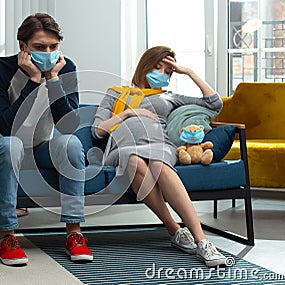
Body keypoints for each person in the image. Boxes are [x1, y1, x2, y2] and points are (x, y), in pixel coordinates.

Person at [91, 46, 227, 267]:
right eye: (157, 67)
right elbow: (97, 131)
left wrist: (189, 72)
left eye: (168, 71)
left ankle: (201, 240)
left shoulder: (170, 97)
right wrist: (128, 113)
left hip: (159, 144)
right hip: (122, 147)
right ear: (144, 66)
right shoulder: (115, 92)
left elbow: (214, 103)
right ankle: (174, 229)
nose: (162, 73)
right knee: (133, 159)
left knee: (159, 163)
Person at [0, 13, 93, 266]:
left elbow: (68, 125)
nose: (48, 52)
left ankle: (75, 233)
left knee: (70, 143)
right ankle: (6, 236)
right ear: (23, 47)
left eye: (53, 47)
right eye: (39, 47)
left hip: (37, 151)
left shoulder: (65, 68)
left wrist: (52, 79)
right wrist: (33, 79)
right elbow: (7, 127)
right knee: (11, 144)